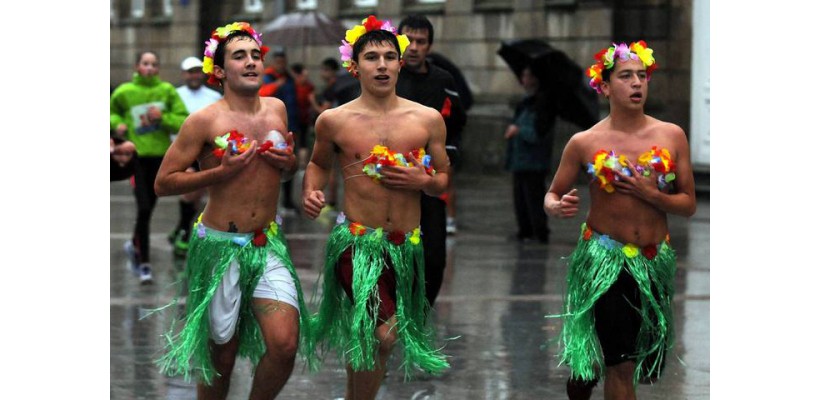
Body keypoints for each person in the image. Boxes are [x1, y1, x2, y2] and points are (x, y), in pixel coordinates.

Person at [152, 22, 316, 399]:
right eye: (240, 56)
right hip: (219, 247)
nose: (252, 62)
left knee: (285, 345)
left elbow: (285, 169)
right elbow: (164, 181)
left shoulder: (277, 109)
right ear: (220, 71)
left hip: (266, 244)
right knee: (221, 358)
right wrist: (217, 172)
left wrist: (290, 162)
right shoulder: (204, 121)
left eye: (256, 54)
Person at [302, 16, 450, 400]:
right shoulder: (333, 120)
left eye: (389, 56)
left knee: (372, 335)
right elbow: (318, 163)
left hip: (407, 247)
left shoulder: (427, 119)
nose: (381, 65)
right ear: (355, 66)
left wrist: (424, 181)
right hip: (357, 244)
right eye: (371, 57)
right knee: (383, 333)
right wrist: (312, 191)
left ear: (401, 63)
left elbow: (444, 179)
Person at [543, 41, 696, 400]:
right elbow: (552, 193)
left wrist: (653, 194)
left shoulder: (671, 135)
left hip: (654, 260)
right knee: (622, 365)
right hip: (604, 261)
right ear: (606, 85)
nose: (637, 83)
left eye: (642, 76)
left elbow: (688, 203)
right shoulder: (584, 142)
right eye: (626, 76)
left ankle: (588, 366)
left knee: (645, 363)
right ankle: (595, 363)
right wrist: (555, 205)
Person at [397, 14, 467, 306]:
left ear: (430, 46)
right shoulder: (387, 76)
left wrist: (446, 158)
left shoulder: (443, 80)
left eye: (421, 41)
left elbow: (458, 122)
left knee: (434, 255)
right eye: (408, 40)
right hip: (392, 180)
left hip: (430, 179)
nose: (413, 47)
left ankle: (421, 309)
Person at [110, 50, 188, 284]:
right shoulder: (125, 92)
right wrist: (118, 124)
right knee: (144, 208)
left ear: (158, 69)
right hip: (136, 158)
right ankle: (144, 263)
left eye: (154, 64)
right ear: (137, 66)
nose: (149, 68)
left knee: (149, 207)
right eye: (145, 63)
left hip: (161, 158)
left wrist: (162, 117)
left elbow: (183, 120)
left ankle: (134, 243)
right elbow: (111, 112)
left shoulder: (166, 91)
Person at [168, 56, 223, 256]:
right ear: (183, 74)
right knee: (191, 192)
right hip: (180, 150)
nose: (194, 75)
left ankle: (181, 229)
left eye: (197, 71)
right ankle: (183, 232)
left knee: (198, 194)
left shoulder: (213, 97)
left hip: (206, 151)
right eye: (190, 72)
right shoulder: (173, 95)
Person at [504, 65, 556, 243]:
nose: (523, 79)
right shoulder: (525, 102)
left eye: (527, 75)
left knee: (533, 198)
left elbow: (539, 133)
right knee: (520, 198)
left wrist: (518, 130)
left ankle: (539, 232)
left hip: (534, 161)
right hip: (520, 160)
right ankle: (524, 230)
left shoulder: (543, 104)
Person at [260, 50, 300, 214]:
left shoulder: (290, 78)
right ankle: (268, 201)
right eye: (278, 61)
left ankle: (288, 199)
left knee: (289, 161)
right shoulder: (268, 77)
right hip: (272, 126)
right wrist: (276, 85)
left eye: (283, 61)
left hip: (292, 123)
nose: (280, 65)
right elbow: (261, 94)